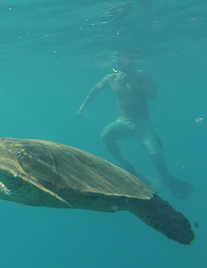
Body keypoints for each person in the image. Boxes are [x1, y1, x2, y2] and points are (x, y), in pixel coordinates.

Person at [77, 57, 193, 200]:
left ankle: (167, 178)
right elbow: (96, 90)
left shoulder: (141, 75)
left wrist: (131, 82)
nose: (120, 69)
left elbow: (152, 95)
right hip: (123, 121)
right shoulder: (111, 78)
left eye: (124, 65)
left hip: (143, 124)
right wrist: (83, 106)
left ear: (130, 65)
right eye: (118, 66)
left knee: (155, 154)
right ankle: (127, 166)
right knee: (106, 135)